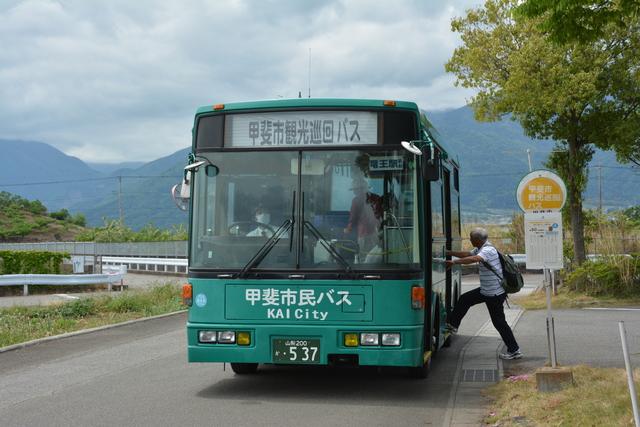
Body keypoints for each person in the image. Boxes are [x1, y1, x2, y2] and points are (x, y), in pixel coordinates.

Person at [444, 228, 523, 360]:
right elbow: (467, 254)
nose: (469, 240)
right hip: (486, 291)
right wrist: (449, 253)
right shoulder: (481, 247)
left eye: (471, 238)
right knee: (465, 299)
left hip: (494, 294)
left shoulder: (488, 250)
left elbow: (475, 258)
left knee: (499, 322)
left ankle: (514, 350)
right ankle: (453, 325)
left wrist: (454, 262)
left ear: (477, 240)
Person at [343, 176, 383, 261]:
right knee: (376, 257)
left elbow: (352, 218)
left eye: (355, 190)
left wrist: (347, 229)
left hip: (364, 234)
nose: (354, 192)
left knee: (364, 259)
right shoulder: (376, 198)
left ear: (359, 189)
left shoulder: (356, 200)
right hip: (377, 234)